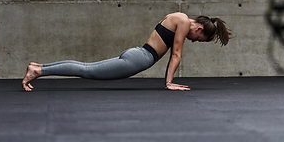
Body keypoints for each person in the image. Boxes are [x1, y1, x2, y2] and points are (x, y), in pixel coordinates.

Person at [22, 12, 231, 91]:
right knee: (87, 70)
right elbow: (176, 53)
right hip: (139, 59)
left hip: (137, 53)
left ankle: (38, 67)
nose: (194, 41)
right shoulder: (185, 22)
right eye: (199, 39)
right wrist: (168, 83)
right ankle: (39, 71)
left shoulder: (178, 17)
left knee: (87, 68)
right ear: (200, 28)